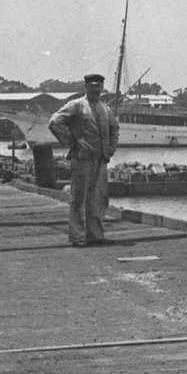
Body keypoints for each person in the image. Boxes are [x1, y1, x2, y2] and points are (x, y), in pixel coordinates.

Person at [49, 72, 120, 247]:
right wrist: (69, 140)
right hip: (81, 158)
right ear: (85, 87)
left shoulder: (105, 109)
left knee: (98, 198)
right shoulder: (77, 106)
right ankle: (77, 236)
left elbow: (115, 129)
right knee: (78, 199)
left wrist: (111, 148)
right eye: (92, 86)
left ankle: (95, 234)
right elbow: (54, 122)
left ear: (102, 88)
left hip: (100, 160)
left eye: (98, 87)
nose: (95, 89)